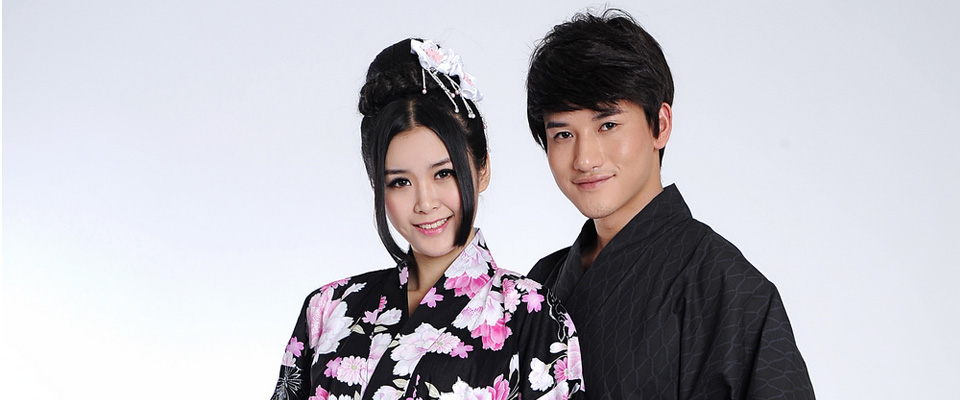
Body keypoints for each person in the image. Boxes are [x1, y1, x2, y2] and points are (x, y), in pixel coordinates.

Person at [524, 8, 815, 399]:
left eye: (608, 125)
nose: (585, 159)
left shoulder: (730, 289)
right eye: (563, 134)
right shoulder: (543, 282)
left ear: (659, 125)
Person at [270, 38, 584, 400]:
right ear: (377, 186)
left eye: (443, 174)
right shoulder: (328, 308)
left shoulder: (533, 314)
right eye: (400, 182)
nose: (425, 203)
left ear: (482, 169)